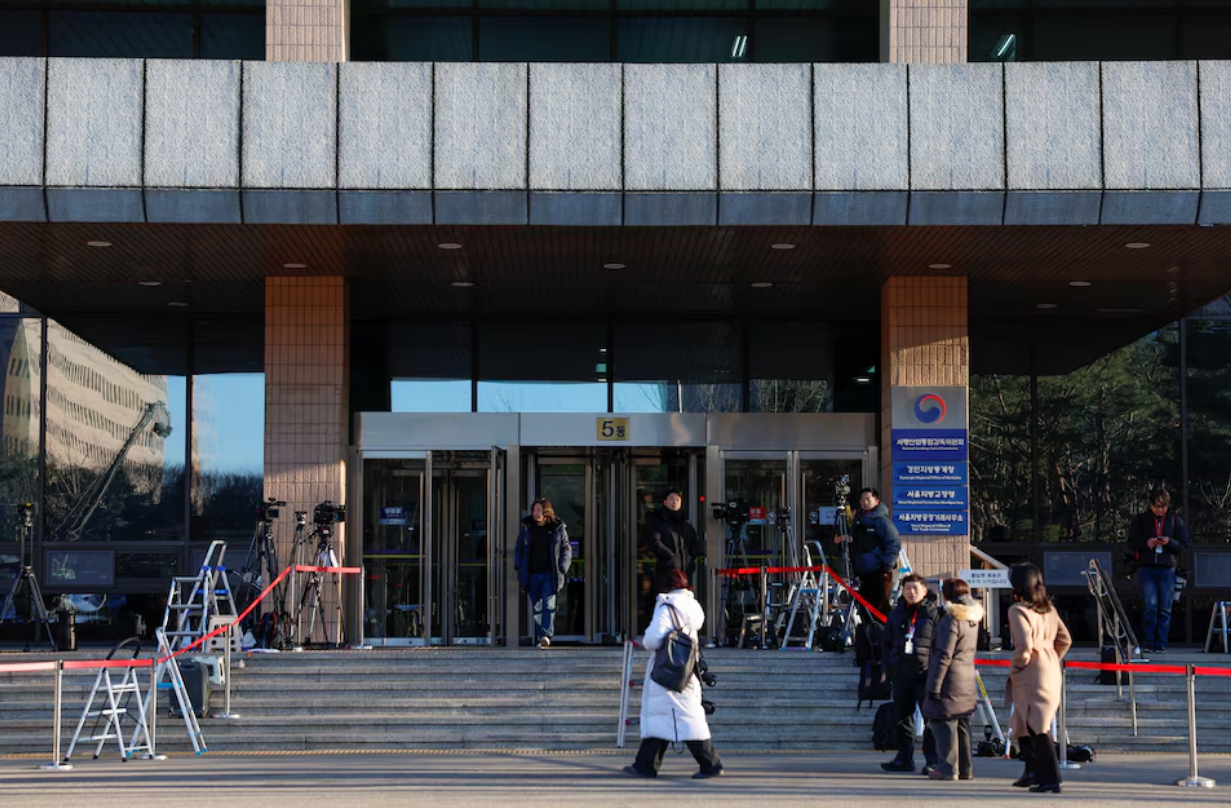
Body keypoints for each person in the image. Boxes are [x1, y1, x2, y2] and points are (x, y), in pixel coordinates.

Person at [624, 568, 724, 780]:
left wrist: (644, 641)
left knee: (682, 717)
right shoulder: (692, 606)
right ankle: (645, 765)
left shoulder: (667, 606)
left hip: (667, 670)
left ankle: (710, 764)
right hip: (687, 669)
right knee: (673, 717)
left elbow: (652, 639)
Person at [1006, 563, 1072, 794]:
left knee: (1037, 726)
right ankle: (1032, 771)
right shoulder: (1049, 609)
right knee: (1025, 721)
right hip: (1050, 667)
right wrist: (1051, 656)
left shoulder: (1017, 610)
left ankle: (1052, 778)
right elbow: (1065, 639)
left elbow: (1024, 644)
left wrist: (1020, 664)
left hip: (1031, 670)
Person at [922, 578, 983, 782]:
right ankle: (966, 769)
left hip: (950, 678)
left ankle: (947, 768)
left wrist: (934, 685)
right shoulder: (973, 618)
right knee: (963, 723)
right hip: (966, 676)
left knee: (944, 722)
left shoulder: (951, 618)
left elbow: (943, 654)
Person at [880, 573, 940, 774]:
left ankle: (933, 760)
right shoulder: (896, 613)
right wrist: (888, 665)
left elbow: (941, 645)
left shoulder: (933, 613)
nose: (911, 592)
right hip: (901, 673)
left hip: (925, 674)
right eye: (907, 589)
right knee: (902, 718)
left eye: (915, 589)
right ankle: (904, 758)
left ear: (924, 590)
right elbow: (886, 641)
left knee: (930, 718)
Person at [1128, 489, 1189, 653]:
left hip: (1167, 568)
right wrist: (1146, 543)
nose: (1160, 510)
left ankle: (1161, 642)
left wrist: (1169, 542)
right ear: (1151, 505)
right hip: (1146, 567)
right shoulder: (1141, 520)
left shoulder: (1175, 520)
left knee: (1165, 608)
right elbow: (1131, 542)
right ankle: (1149, 641)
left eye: (1163, 507)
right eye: (1157, 506)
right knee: (1150, 605)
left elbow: (1184, 545)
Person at [513, 497, 572, 649]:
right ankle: (542, 636)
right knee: (537, 607)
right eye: (534, 510)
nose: (535, 513)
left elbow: (566, 548)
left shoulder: (557, 528)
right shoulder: (527, 528)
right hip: (532, 573)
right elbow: (519, 547)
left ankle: (546, 635)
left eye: (538, 510)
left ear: (546, 512)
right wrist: (519, 565)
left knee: (548, 604)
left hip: (549, 573)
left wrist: (563, 567)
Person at [836, 488, 902, 618]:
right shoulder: (858, 520)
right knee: (864, 610)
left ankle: (882, 636)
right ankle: (867, 635)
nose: (865, 502)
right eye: (862, 499)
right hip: (861, 572)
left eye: (868, 499)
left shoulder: (882, 522)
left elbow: (893, 543)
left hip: (878, 571)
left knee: (879, 608)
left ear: (876, 501)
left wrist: (886, 566)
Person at [644, 487, 701, 581]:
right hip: (667, 569)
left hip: (685, 569)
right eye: (671, 499)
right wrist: (670, 557)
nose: (675, 502)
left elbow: (693, 542)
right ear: (665, 502)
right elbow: (654, 542)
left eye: (677, 500)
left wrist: (691, 557)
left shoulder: (685, 522)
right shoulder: (658, 521)